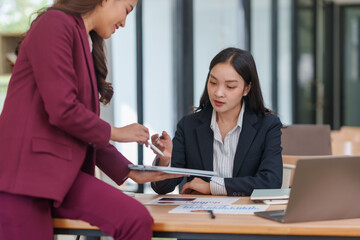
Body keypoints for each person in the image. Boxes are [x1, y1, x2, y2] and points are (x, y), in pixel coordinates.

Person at [0, 0, 181, 239]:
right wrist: (117, 132)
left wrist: (131, 172)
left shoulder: (81, 39)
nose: (125, 22)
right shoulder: (54, 24)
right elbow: (63, 110)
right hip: (24, 178)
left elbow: (82, 127)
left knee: (135, 220)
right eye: (127, 10)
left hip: (61, 176)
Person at [151, 47, 283, 196]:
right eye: (213, 83)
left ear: (247, 88)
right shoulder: (188, 126)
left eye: (230, 86)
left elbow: (271, 182)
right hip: (201, 216)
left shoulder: (267, 126)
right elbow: (162, 188)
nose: (218, 93)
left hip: (246, 215)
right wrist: (165, 161)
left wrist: (211, 187)